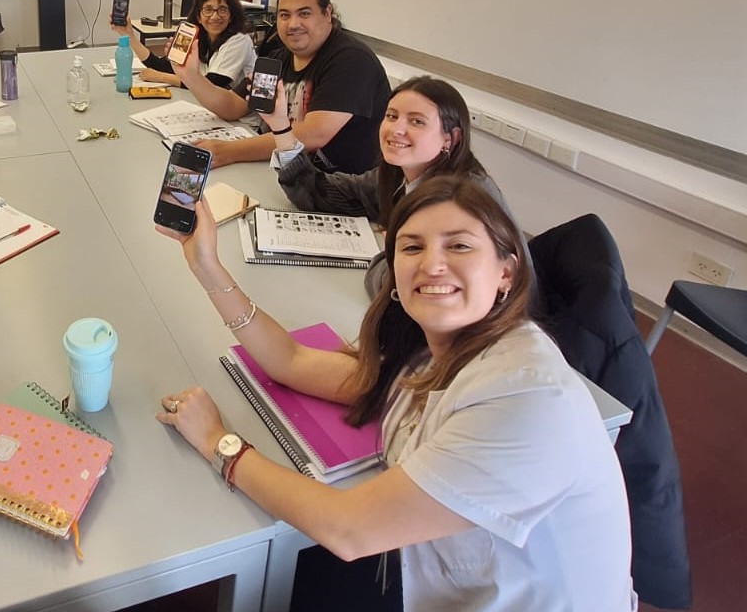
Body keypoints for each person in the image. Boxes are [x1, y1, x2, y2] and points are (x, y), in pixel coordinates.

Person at [155, 176, 635, 611]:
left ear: (506, 272)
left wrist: (222, 445)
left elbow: (348, 529)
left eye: (459, 246)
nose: (432, 264)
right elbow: (292, 362)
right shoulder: (433, 350)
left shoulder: (527, 399)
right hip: (436, 574)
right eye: (412, 247)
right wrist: (207, 266)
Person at [265, 74, 524, 297]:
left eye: (417, 121)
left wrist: (392, 250)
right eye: (391, 116)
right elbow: (321, 193)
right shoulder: (402, 174)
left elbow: (401, 286)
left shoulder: (461, 202)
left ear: (451, 138)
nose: (396, 129)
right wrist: (280, 127)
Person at [173, 0, 389, 173]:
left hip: (336, 188)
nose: (293, 24)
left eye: (304, 13)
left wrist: (231, 151)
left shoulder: (351, 60)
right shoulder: (278, 58)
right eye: (284, 15)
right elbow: (233, 106)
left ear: (327, 14)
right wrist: (191, 77)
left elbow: (313, 134)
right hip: (282, 173)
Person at [110, 0, 256, 90]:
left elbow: (212, 85)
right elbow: (163, 66)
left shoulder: (239, 40)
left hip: (238, 119)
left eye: (222, 10)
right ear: (198, 16)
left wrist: (161, 77)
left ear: (231, 16)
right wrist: (130, 36)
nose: (215, 16)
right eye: (208, 10)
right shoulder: (197, 36)